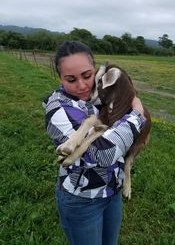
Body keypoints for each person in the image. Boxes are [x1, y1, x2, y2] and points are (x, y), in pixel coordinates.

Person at [43, 40, 146, 245]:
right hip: (82, 199)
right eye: (71, 79)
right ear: (60, 77)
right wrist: (138, 113)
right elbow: (104, 155)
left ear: (96, 72)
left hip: (112, 191)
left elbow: (115, 111)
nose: (82, 86)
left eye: (87, 76)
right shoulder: (58, 108)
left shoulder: (97, 96)